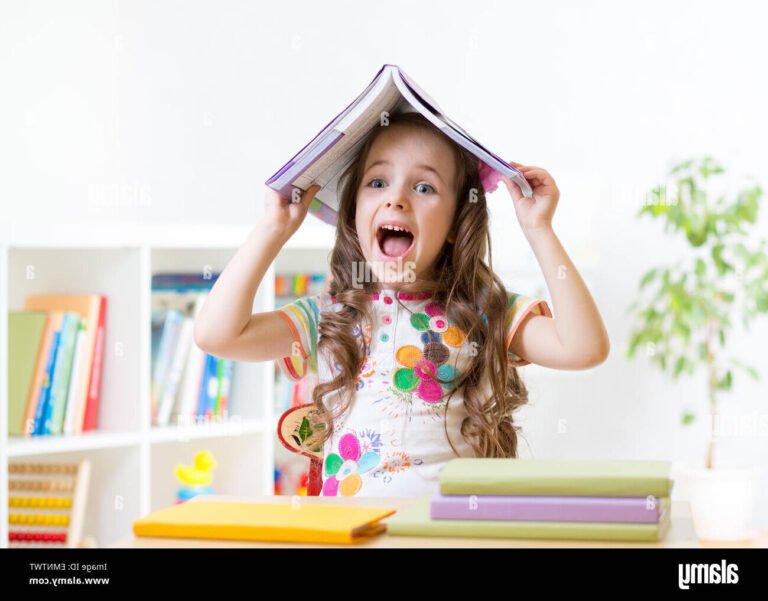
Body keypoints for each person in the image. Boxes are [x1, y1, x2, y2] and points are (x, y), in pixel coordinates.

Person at [194, 111, 610, 497]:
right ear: (355, 209)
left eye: (424, 187)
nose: (396, 199)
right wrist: (272, 229)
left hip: (448, 535)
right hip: (350, 537)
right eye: (377, 182)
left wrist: (539, 229)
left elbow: (583, 347)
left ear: (454, 225)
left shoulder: (485, 310)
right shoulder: (328, 316)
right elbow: (217, 335)